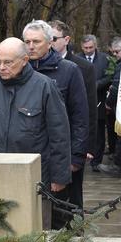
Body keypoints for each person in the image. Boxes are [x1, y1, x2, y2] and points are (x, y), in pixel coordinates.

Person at [0, 37, 71, 193]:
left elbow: (59, 135)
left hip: (35, 179)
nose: (2, 67)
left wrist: (59, 177)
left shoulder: (44, 87)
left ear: (25, 60)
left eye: (8, 62)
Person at [23, 20, 88, 229]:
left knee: (63, 216)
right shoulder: (19, 71)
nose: (31, 46)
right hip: (28, 154)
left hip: (60, 155)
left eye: (36, 41)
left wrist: (76, 157)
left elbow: (80, 117)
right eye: (27, 41)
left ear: (50, 42)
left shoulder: (69, 71)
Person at [47, 20, 97, 208]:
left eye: (53, 38)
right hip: (49, 143)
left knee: (73, 197)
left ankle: (76, 234)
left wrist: (88, 147)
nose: (49, 42)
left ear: (66, 39)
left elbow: (89, 110)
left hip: (73, 142)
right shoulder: (34, 65)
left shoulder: (83, 67)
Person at [80, 34, 112, 172]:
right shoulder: (76, 59)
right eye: (86, 48)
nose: (88, 50)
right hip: (82, 100)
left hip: (99, 99)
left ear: (95, 46)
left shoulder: (105, 59)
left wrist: (97, 84)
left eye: (91, 47)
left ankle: (96, 161)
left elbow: (110, 75)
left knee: (99, 131)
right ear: (82, 47)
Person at [99, 37, 121, 177]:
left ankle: (116, 166)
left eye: (117, 52)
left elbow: (116, 87)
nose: (115, 55)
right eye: (113, 52)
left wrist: (108, 103)